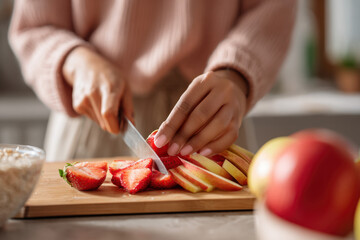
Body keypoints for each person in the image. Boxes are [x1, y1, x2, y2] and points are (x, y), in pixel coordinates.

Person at [8, 0, 296, 162]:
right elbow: (35, 27)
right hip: (96, 122)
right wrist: (76, 60)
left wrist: (235, 74)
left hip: (214, 123)